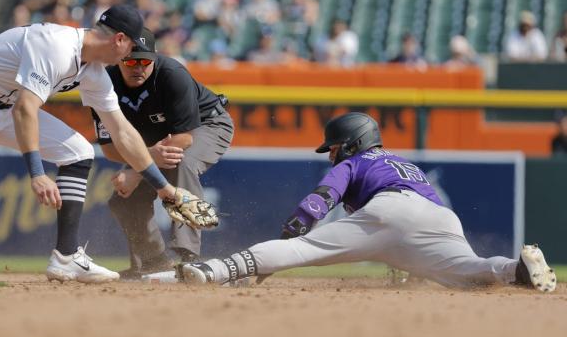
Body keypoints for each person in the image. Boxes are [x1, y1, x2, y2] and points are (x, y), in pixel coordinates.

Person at [178, 112, 557, 293]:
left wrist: (293, 232)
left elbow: (320, 199)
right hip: (440, 216)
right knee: (471, 275)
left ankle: (214, 272)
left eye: (335, 148)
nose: (331, 156)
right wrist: (410, 257)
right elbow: (421, 220)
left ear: (354, 143)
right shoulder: (405, 163)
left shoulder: (356, 162)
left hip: (389, 211)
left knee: (301, 250)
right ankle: (514, 268)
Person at [0, 4, 209, 284]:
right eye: (130, 46)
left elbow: (123, 132)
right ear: (119, 39)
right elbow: (25, 109)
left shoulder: (93, 72)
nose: (130, 55)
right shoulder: (56, 45)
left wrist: (165, 189)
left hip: (4, 106)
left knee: (78, 152)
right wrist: (37, 174)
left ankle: (66, 257)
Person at [91, 28, 234, 279]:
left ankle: (189, 256)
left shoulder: (172, 74)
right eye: (130, 61)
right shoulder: (104, 83)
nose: (138, 67)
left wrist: (137, 170)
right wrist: (146, 160)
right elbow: (109, 148)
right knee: (123, 197)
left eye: (144, 61)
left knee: (181, 163)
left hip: (206, 125)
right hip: (153, 139)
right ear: (118, 59)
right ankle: (152, 262)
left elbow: (185, 138)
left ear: (154, 59)